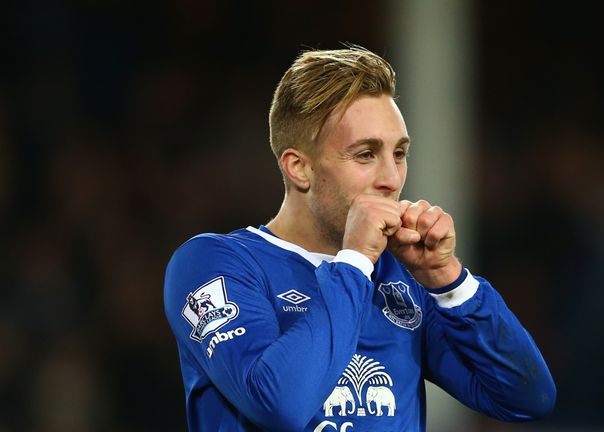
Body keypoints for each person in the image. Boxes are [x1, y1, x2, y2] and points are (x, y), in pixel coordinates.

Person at [164, 45, 556, 432]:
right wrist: (353, 262)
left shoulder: (402, 278)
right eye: (366, 154)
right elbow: (279, 405)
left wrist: (449, 280)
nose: (391, 178)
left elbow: (526, 397)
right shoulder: (214, 265)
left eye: (399, 154)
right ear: (299, 168)